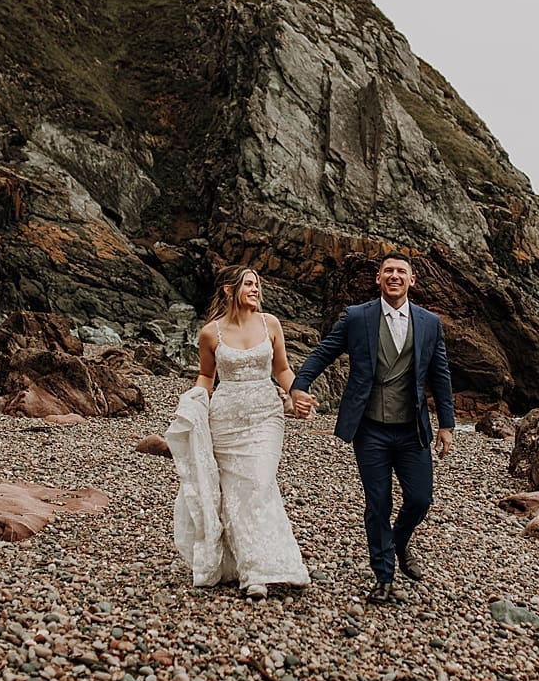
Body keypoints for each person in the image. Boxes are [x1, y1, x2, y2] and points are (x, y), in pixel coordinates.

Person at [290, 253, 455, 605]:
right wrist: (299, 384)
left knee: (420, 499)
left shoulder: (429, 323)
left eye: (401, 272)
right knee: (377, 503)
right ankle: (384, 576)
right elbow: (324, 352)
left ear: (412, 281)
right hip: (370, 430)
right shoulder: (357, 317)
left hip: (413, 430)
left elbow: (440, 375)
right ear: (378, 278)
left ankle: (399, 540)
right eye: (389, 271)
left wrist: (447, 424)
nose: (394, 276)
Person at [167, 266, 310, 599]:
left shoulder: (270, 323)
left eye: (257, 285)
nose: (256, 289)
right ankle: (253, 570)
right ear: (230, 290)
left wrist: (297, 394)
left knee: (259, 482)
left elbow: (283, 369)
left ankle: (274, 562)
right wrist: (194, 404)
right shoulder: (210, 333)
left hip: (265, 414)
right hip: (226, 419)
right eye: (249, 284)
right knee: (235, 493)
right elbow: (206, 376)